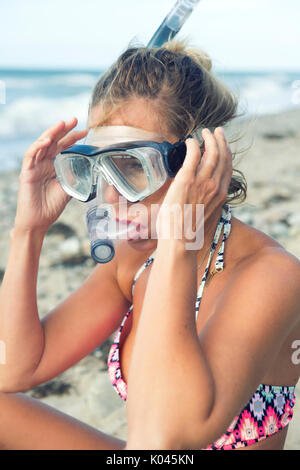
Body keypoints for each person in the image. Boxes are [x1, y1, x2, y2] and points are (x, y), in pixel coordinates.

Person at [0, 40, 299, 451]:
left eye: (132, 168)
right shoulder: (135, 263)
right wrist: (28, 231)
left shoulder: (272, 275)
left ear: (202, 160)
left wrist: (179, 242)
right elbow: (11, 369)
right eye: (98, 168)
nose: (111, 198)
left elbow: (165, 436)